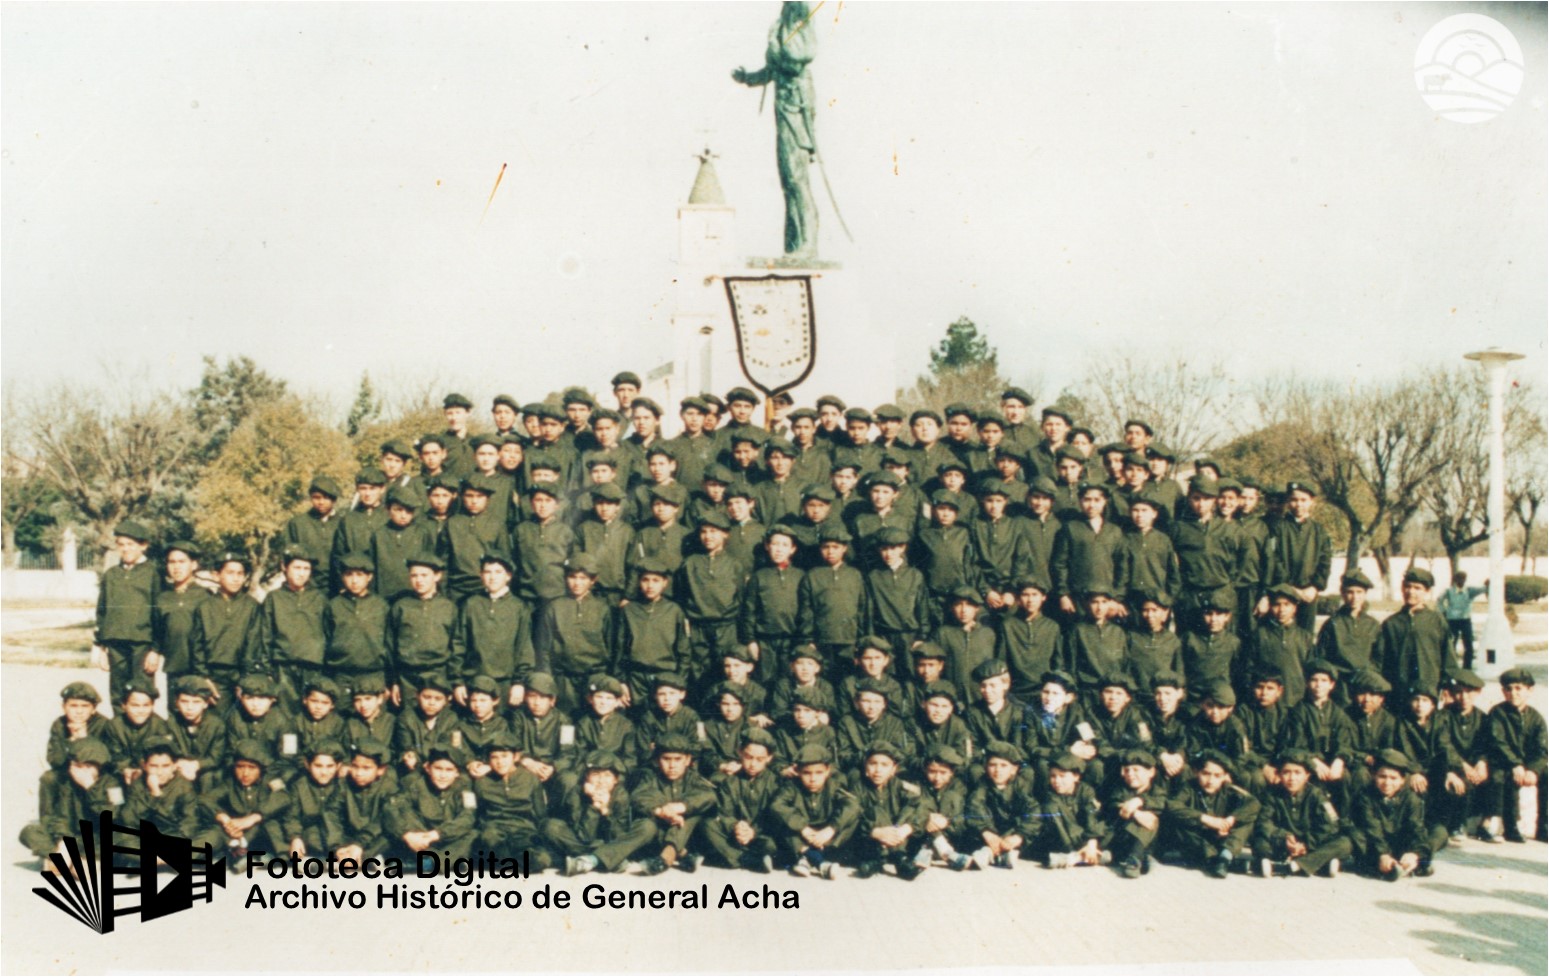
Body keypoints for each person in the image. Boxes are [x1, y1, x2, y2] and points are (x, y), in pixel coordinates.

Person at [731, 0, 821, 259]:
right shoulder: (783, 24)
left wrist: (776, 47)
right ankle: (794, 243)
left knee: (797, 177)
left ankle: (808, 243)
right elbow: (773, 69)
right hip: (784, 105)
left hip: (797, 104)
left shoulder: (799, 20)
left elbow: (798, 58)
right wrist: (748, 78)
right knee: (788, 180)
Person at [20, 738, 124, 866]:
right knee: (29, 832)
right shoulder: (68, 784)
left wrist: (90, 787)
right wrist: (63, 841)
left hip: (97, 839)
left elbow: (112, 815)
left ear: (100, 766)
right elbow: (62, 816)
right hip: (73, 838)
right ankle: (63, 858)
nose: (83, 771)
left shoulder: (114, 785)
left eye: (88, 766)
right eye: (77, 766)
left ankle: (69, 862)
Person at [1251, 749, 1352, 878]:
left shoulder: (1316, 795)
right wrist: (1283, 837)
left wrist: (1306, 844)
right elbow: (1263, 821)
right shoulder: (1272, 794)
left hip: (1310, 844)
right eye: (1286, 772)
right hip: (1284, 843)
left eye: (1297, 773)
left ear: (1307, 776)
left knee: (1344, 843)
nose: (1292, 778)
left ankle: (1290, 866)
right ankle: (1319, 864)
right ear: (1279, 774)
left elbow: (1330, 824)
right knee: (1260, 842)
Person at [93, 520, 160, 709]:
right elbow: (102, 610)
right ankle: (119, 734)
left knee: (142, 693)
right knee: (118, 693)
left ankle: (141, 736)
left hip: (141, 643)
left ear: (143, 546)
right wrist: (100, 646)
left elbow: (158, 614)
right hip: (115, 642)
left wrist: (155, 649)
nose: (125, 549)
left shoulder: (153, 574)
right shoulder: (111, 575)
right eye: (121, 545)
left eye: (131, 544)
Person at [1350, 750, 1445, 880]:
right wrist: (1383, 854)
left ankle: (1415, 862)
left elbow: (1416, 828)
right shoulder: (1365, 796)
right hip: (1376, 843)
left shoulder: (1411, 799)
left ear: (1402, 780)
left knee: (1440, 832)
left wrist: (1415, 854)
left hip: (1400, 844)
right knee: (1355, 835)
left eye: (1393, 778)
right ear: (1374, 776)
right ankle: (1382, 866)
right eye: (1382, 776)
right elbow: (1372, 828)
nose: (1387, 783)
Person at [1165, 750, 1260, 878]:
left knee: (1247, 821)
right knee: (1179, 824)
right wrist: (1205, 819)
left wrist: (1230, 821)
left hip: (1223, 837)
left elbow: (1253, 803)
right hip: (1200, 838)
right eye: (1206, 774)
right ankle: (1219, 861)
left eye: (1217, 775)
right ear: (1196, 772)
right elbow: (1172, 805)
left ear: (1225, 776)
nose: (1210, 780)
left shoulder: (1228, 789)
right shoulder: (1188, 787)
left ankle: (1225, 855)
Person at [632, 734, 717, 874]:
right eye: (666, 759)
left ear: (688, 760)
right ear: (657, 760)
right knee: (648, 823)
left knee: (691, 815)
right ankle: (682, 854)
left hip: (688, 835)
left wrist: (681, 806)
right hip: (660, 832)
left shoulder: (692, 778)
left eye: (678, 759)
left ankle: (666, 858)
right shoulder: (651, 777)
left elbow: (708, 796)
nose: (672, 765)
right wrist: (662, 811)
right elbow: (639, 796)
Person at [772, 744, 860, 879]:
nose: (813, 779)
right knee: (782, 820)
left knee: (852, 817)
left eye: (819, 773)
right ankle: (820, 862)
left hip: (825, 835)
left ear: (827, 771)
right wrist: (802, 828)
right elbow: (777, 805)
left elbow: (852, 805)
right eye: (807, 773)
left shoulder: (833, 785)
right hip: (801, 833)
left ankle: (806, 859)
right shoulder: (791, 787)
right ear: (797, 771)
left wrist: (831, 829)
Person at [1483, 667, 1547, 844]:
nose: (1513, 693)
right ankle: (1510, 827)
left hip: (1525, 765)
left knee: (1547, 775)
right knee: (1503, 777)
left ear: (1529, 690)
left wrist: (1533, 770)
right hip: (1503, 762)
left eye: (1519, 688)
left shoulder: (1536, 718)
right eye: (1509, 689)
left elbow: (1542, 750)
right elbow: (1498, 742)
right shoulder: (1498, 713)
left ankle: (1544, 826)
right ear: (1503, 691)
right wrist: (1515, 764)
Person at [1438, 571, 1487, 670]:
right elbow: (1439, 600)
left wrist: (1487, 583)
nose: (1462, 581)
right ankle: (1451, 666)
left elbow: (1483, 589)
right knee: (1452, 644)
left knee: (1468, 644)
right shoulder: (1449, 591)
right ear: (1455, 580)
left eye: (1463, 578)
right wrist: (1443, 611)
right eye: (1459, 579)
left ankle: (1467, 667)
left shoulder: (1469, 590)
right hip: (1452, 620)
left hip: (1465, 620)